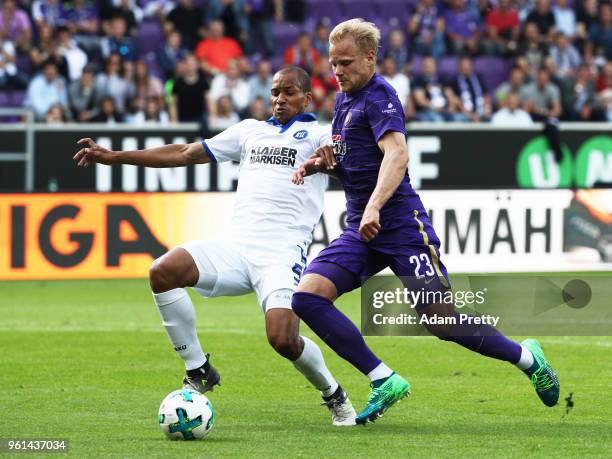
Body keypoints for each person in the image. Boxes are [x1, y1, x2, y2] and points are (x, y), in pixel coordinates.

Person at [291, 19, 560, 426]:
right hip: (362, 228)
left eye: (346, 62)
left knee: (442, 322)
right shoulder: (345, 102)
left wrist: (375, 207)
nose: (338, 72)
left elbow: (397, 155)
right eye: (332, 64)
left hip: (399, 225)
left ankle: (528, 359)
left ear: (370, 57)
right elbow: (357, 164)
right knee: (307, 297)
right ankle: (383, 378)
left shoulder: (381, 96)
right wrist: (322, 165)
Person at [73, 66, 357, 427]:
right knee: (163, 271)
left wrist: (333, 156)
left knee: (283, 339)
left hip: (281, 257)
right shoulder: (249, 131)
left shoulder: (318, 134)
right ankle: (198, 369)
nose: (279, 99)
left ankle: (334, 394)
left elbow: (339, 153)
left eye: (288, 92)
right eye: (274, 92)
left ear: (307, 98)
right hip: (235, 249)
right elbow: (185, 153)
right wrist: (115, 157)